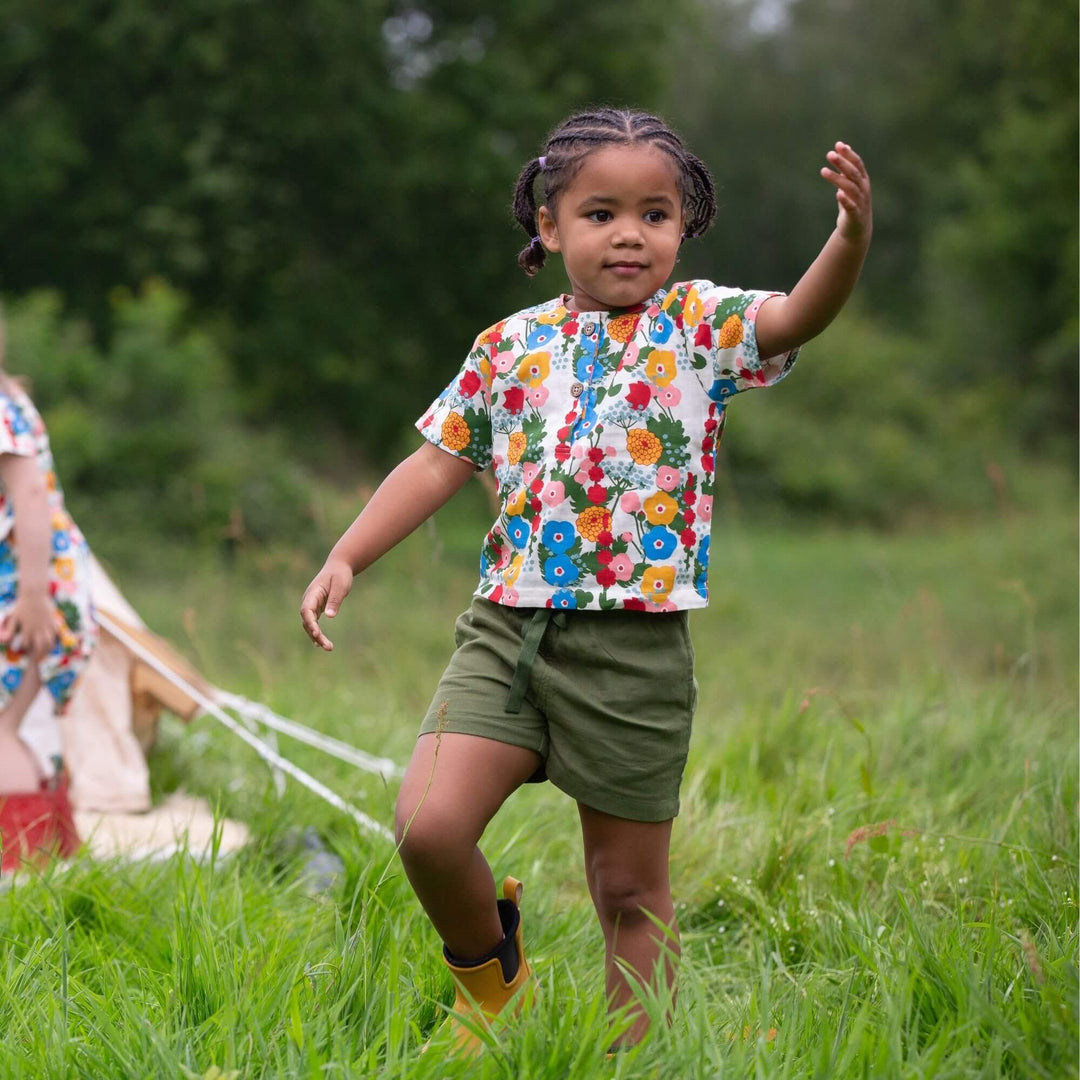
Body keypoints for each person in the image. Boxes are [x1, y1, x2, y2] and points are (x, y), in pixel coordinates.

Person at [300, 107, 872, 1053]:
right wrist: (347, 554)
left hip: (633, 649)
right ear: (549, 227)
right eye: (601, 213)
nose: (629, 234)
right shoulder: (507, 345)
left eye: (656, 214)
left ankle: (631, 1062)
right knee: (428, 829)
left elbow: (797, 315)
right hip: (504, 633)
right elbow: (438, 463)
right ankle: (492, 975)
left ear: (682, 229)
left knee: (627, 894)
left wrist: (847, 238)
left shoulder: (700, 326)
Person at [0, 312, 97, 872]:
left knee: (3, 727)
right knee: (26, 720)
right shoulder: (11, 395)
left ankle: (18, 860)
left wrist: (34, 596)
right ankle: (54, 844)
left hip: (34, 595)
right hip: (40, 589)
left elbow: (32, 497)